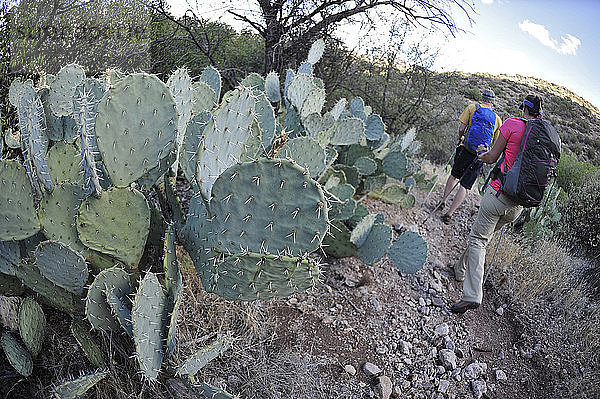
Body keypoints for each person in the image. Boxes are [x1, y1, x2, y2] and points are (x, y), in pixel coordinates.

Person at [449, 94, 543, 314]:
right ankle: (459, 270)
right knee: (482, 238)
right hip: (518, 206)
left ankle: (472, 295)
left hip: (499, 194)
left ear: (523, 109)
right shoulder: (542, 136)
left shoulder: (512, 124)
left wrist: (482, 153)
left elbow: (491, 157)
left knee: (478, 240)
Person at [440, 89, 502, 224]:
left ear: (482, 98)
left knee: (454, 175)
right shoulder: (497, 119)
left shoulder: (472, 108)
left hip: (466, 149)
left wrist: (461, 138)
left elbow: (461, 128)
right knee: (465, 185)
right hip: (480, 156)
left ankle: (443, 201)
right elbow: (496, 142)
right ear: (493, 102)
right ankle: (449, 214)